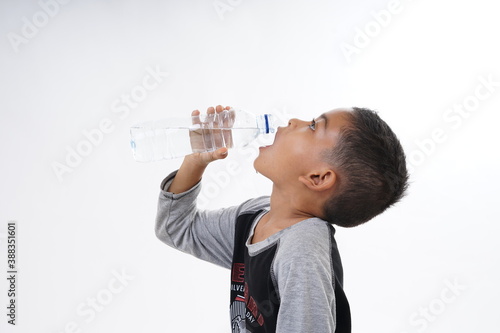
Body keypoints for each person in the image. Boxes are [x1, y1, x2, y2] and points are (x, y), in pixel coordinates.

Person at [155, 105, 409, 333]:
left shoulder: (302, 250)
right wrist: (195, 161)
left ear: (318, 177)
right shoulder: (254, 217)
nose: (293, 121)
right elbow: (177, 229)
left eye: (312, 126)